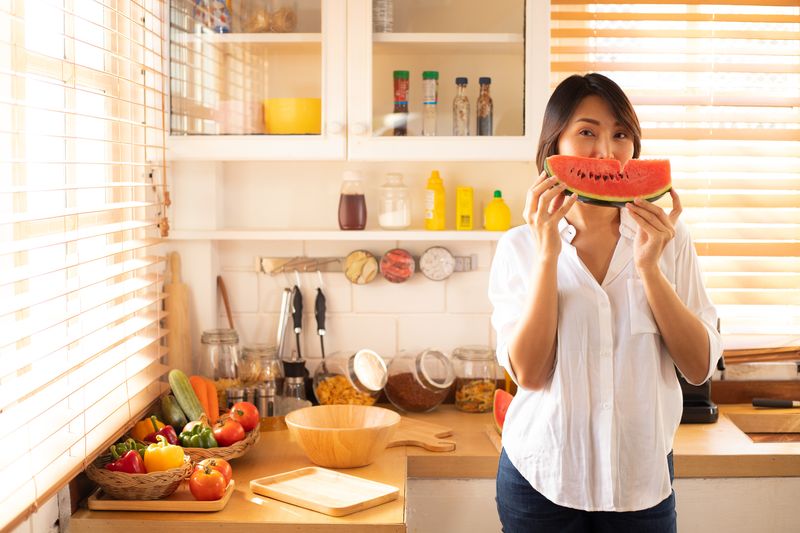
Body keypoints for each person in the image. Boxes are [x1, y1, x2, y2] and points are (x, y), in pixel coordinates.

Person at [489, 73, 723, 533]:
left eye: (620, 134)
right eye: (587, 132)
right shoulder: (519, 247)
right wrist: (548, 254)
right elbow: (530, 374)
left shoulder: (669, 241)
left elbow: (698, 367)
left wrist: (649, 268)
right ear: (553, 146)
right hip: (541, 478)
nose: (605, 152)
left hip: (641, 483)